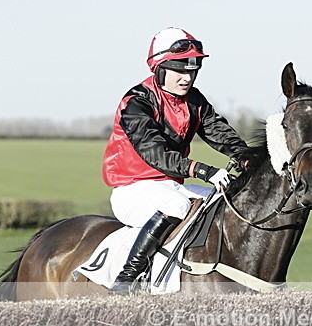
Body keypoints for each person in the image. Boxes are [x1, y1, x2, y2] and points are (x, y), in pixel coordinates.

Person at [102, 27, 250, 293]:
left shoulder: (194, 100)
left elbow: (218, 132)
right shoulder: (136, 102)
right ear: (159, 68)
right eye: (179, 69)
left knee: (221, 200)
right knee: (177, 205)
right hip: (132, 188)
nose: (187, 77)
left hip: (169, 185)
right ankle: (127, 279)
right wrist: (201, 170)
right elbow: (155, 153)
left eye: (192, 70)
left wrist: (245, 156)